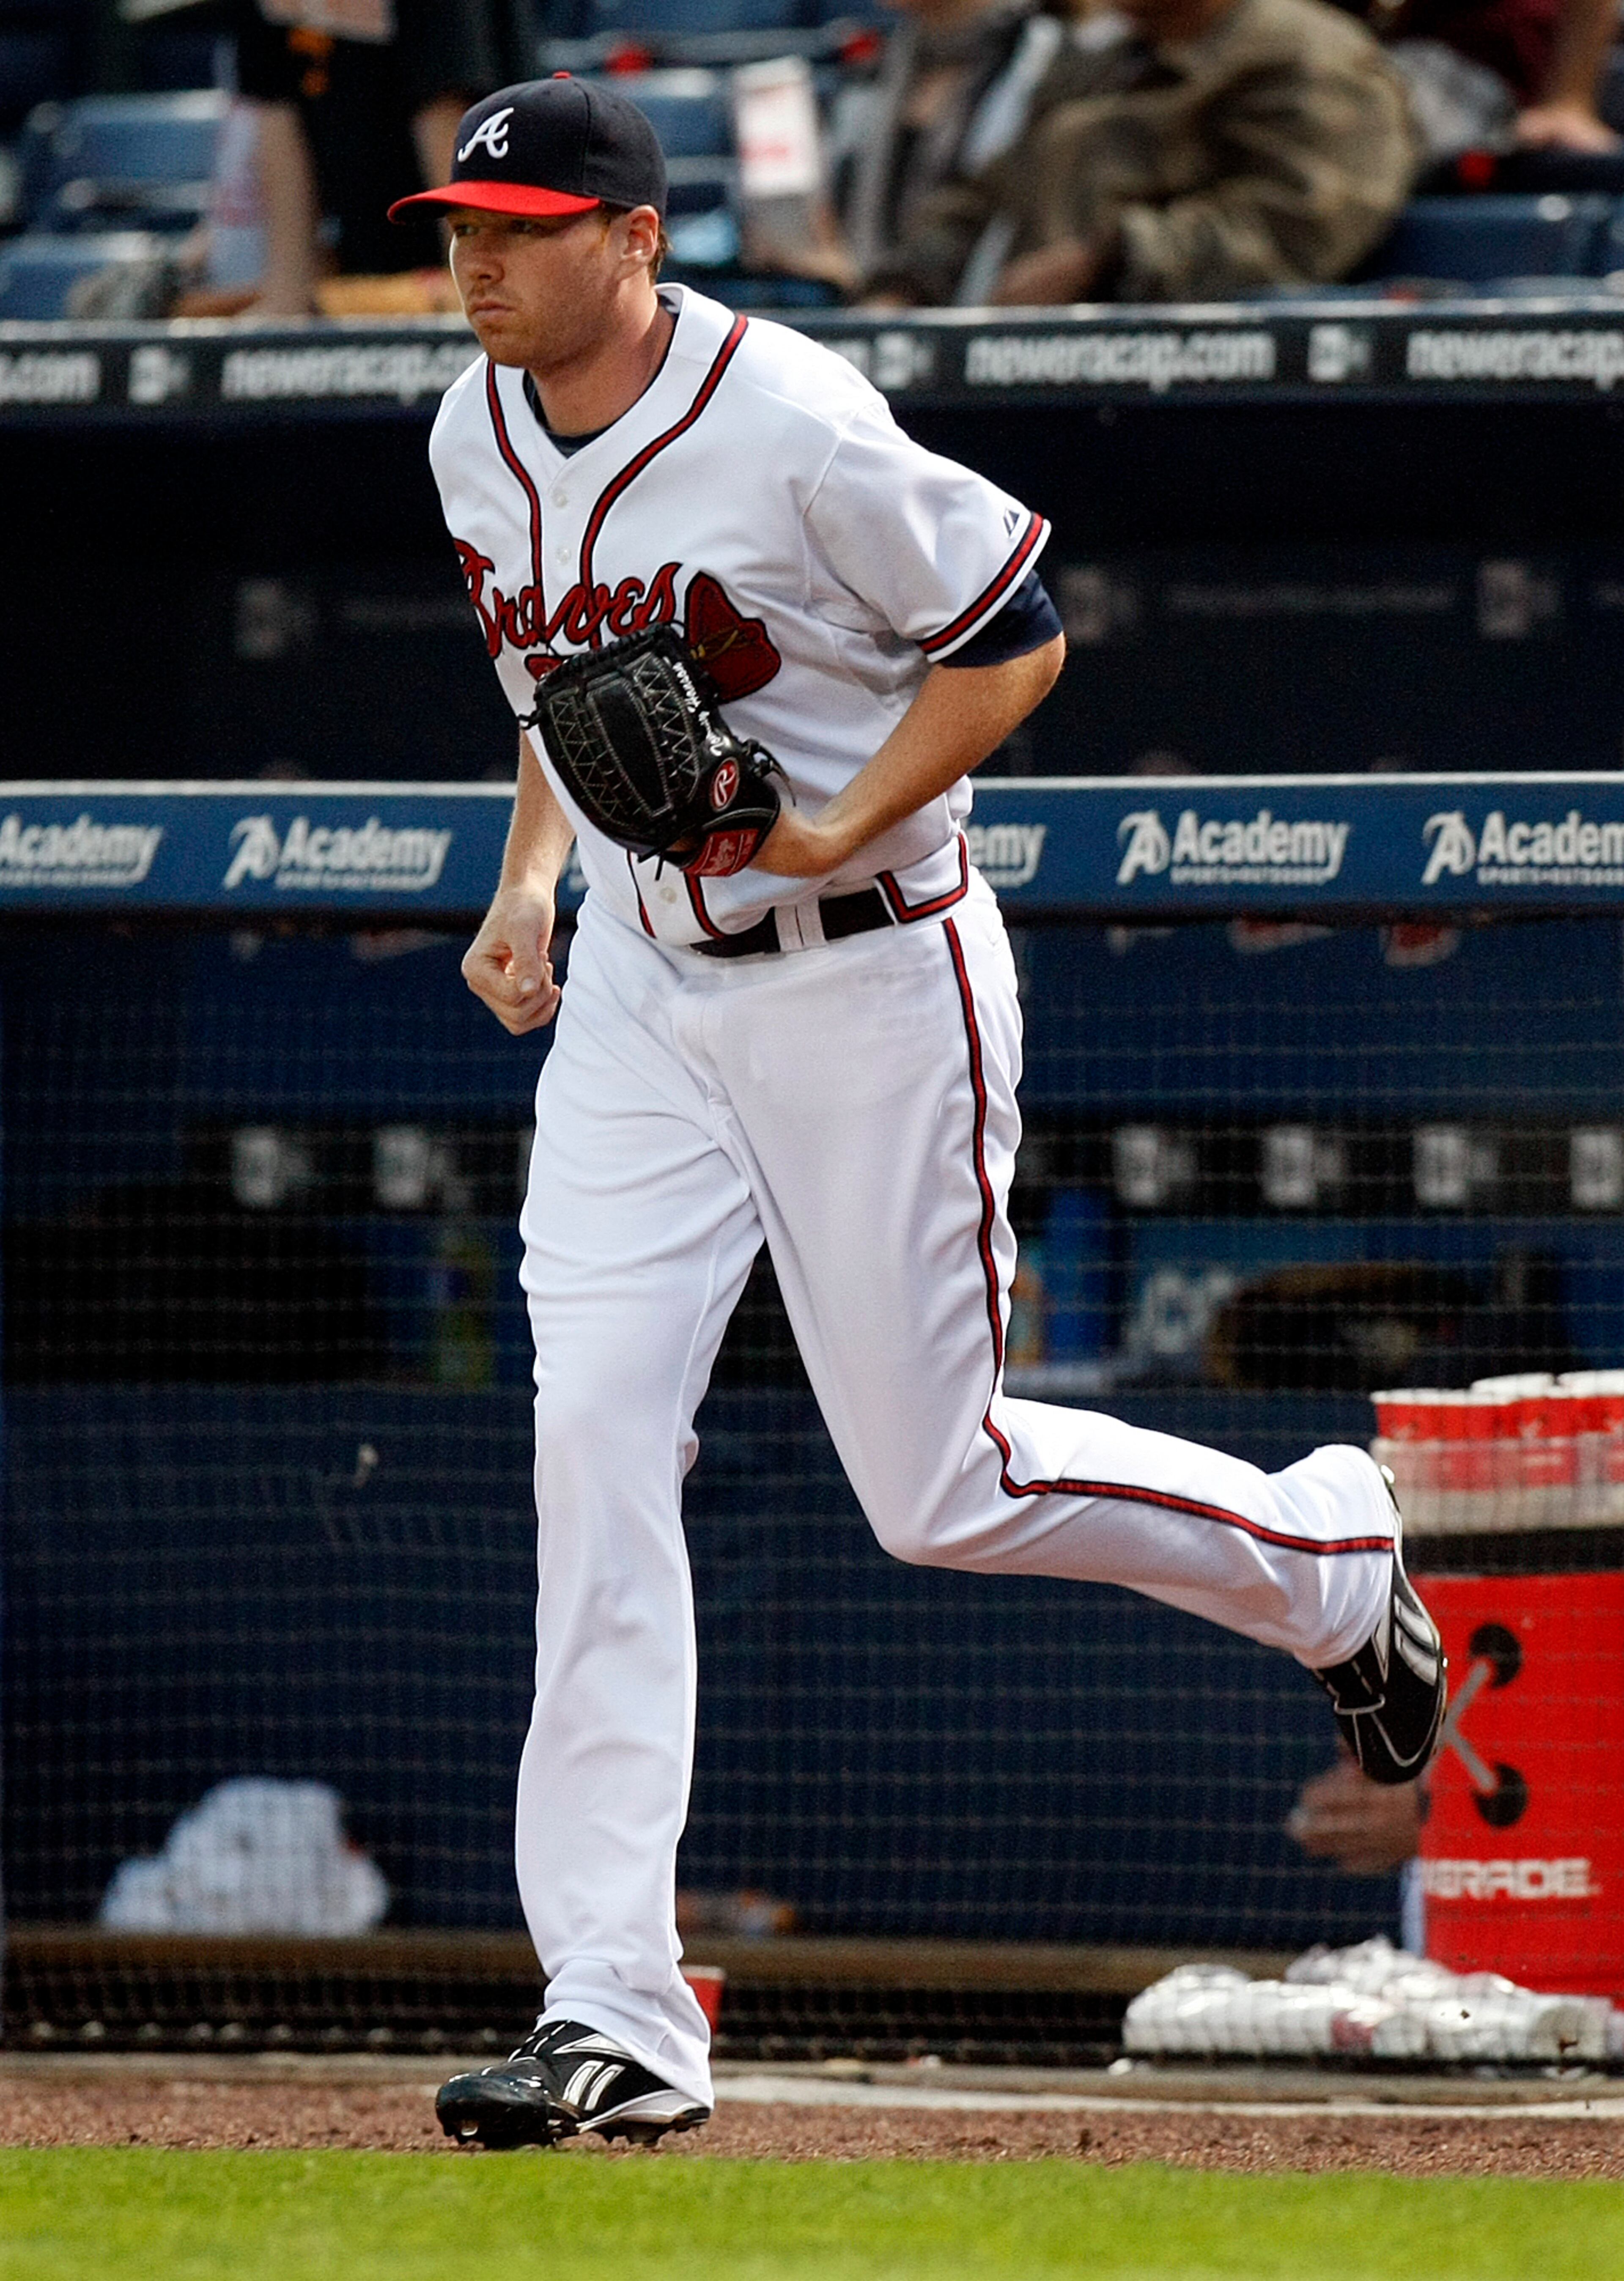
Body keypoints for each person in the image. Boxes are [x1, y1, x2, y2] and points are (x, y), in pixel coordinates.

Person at [392, 74, 1447, 2151]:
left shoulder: (793, 422)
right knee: (590, 1440)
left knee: (937, 1486)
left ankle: (1337, 1552)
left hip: (871, 972)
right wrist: (526, 884)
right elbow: (562, 701)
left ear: (634, 240)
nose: (480, 261)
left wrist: (834, 818)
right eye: (461, 227)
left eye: (520, 226)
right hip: (635, 993)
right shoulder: (465, 433)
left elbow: (1016, 645)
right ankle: (611, 2010)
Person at [865, 0, 1417, 305]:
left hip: (1179, 387)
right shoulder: (1104, 58)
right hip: (1021, 359)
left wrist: (1110, 259)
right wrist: (902, 289)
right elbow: (987, 190)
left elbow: (1301, 221)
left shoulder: (1310, 56)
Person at [230, 0, 504, 316]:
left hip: (473, 252)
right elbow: (278, 108)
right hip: (367, 268)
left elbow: (450, 115)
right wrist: (285, 298)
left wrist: (472, 287)